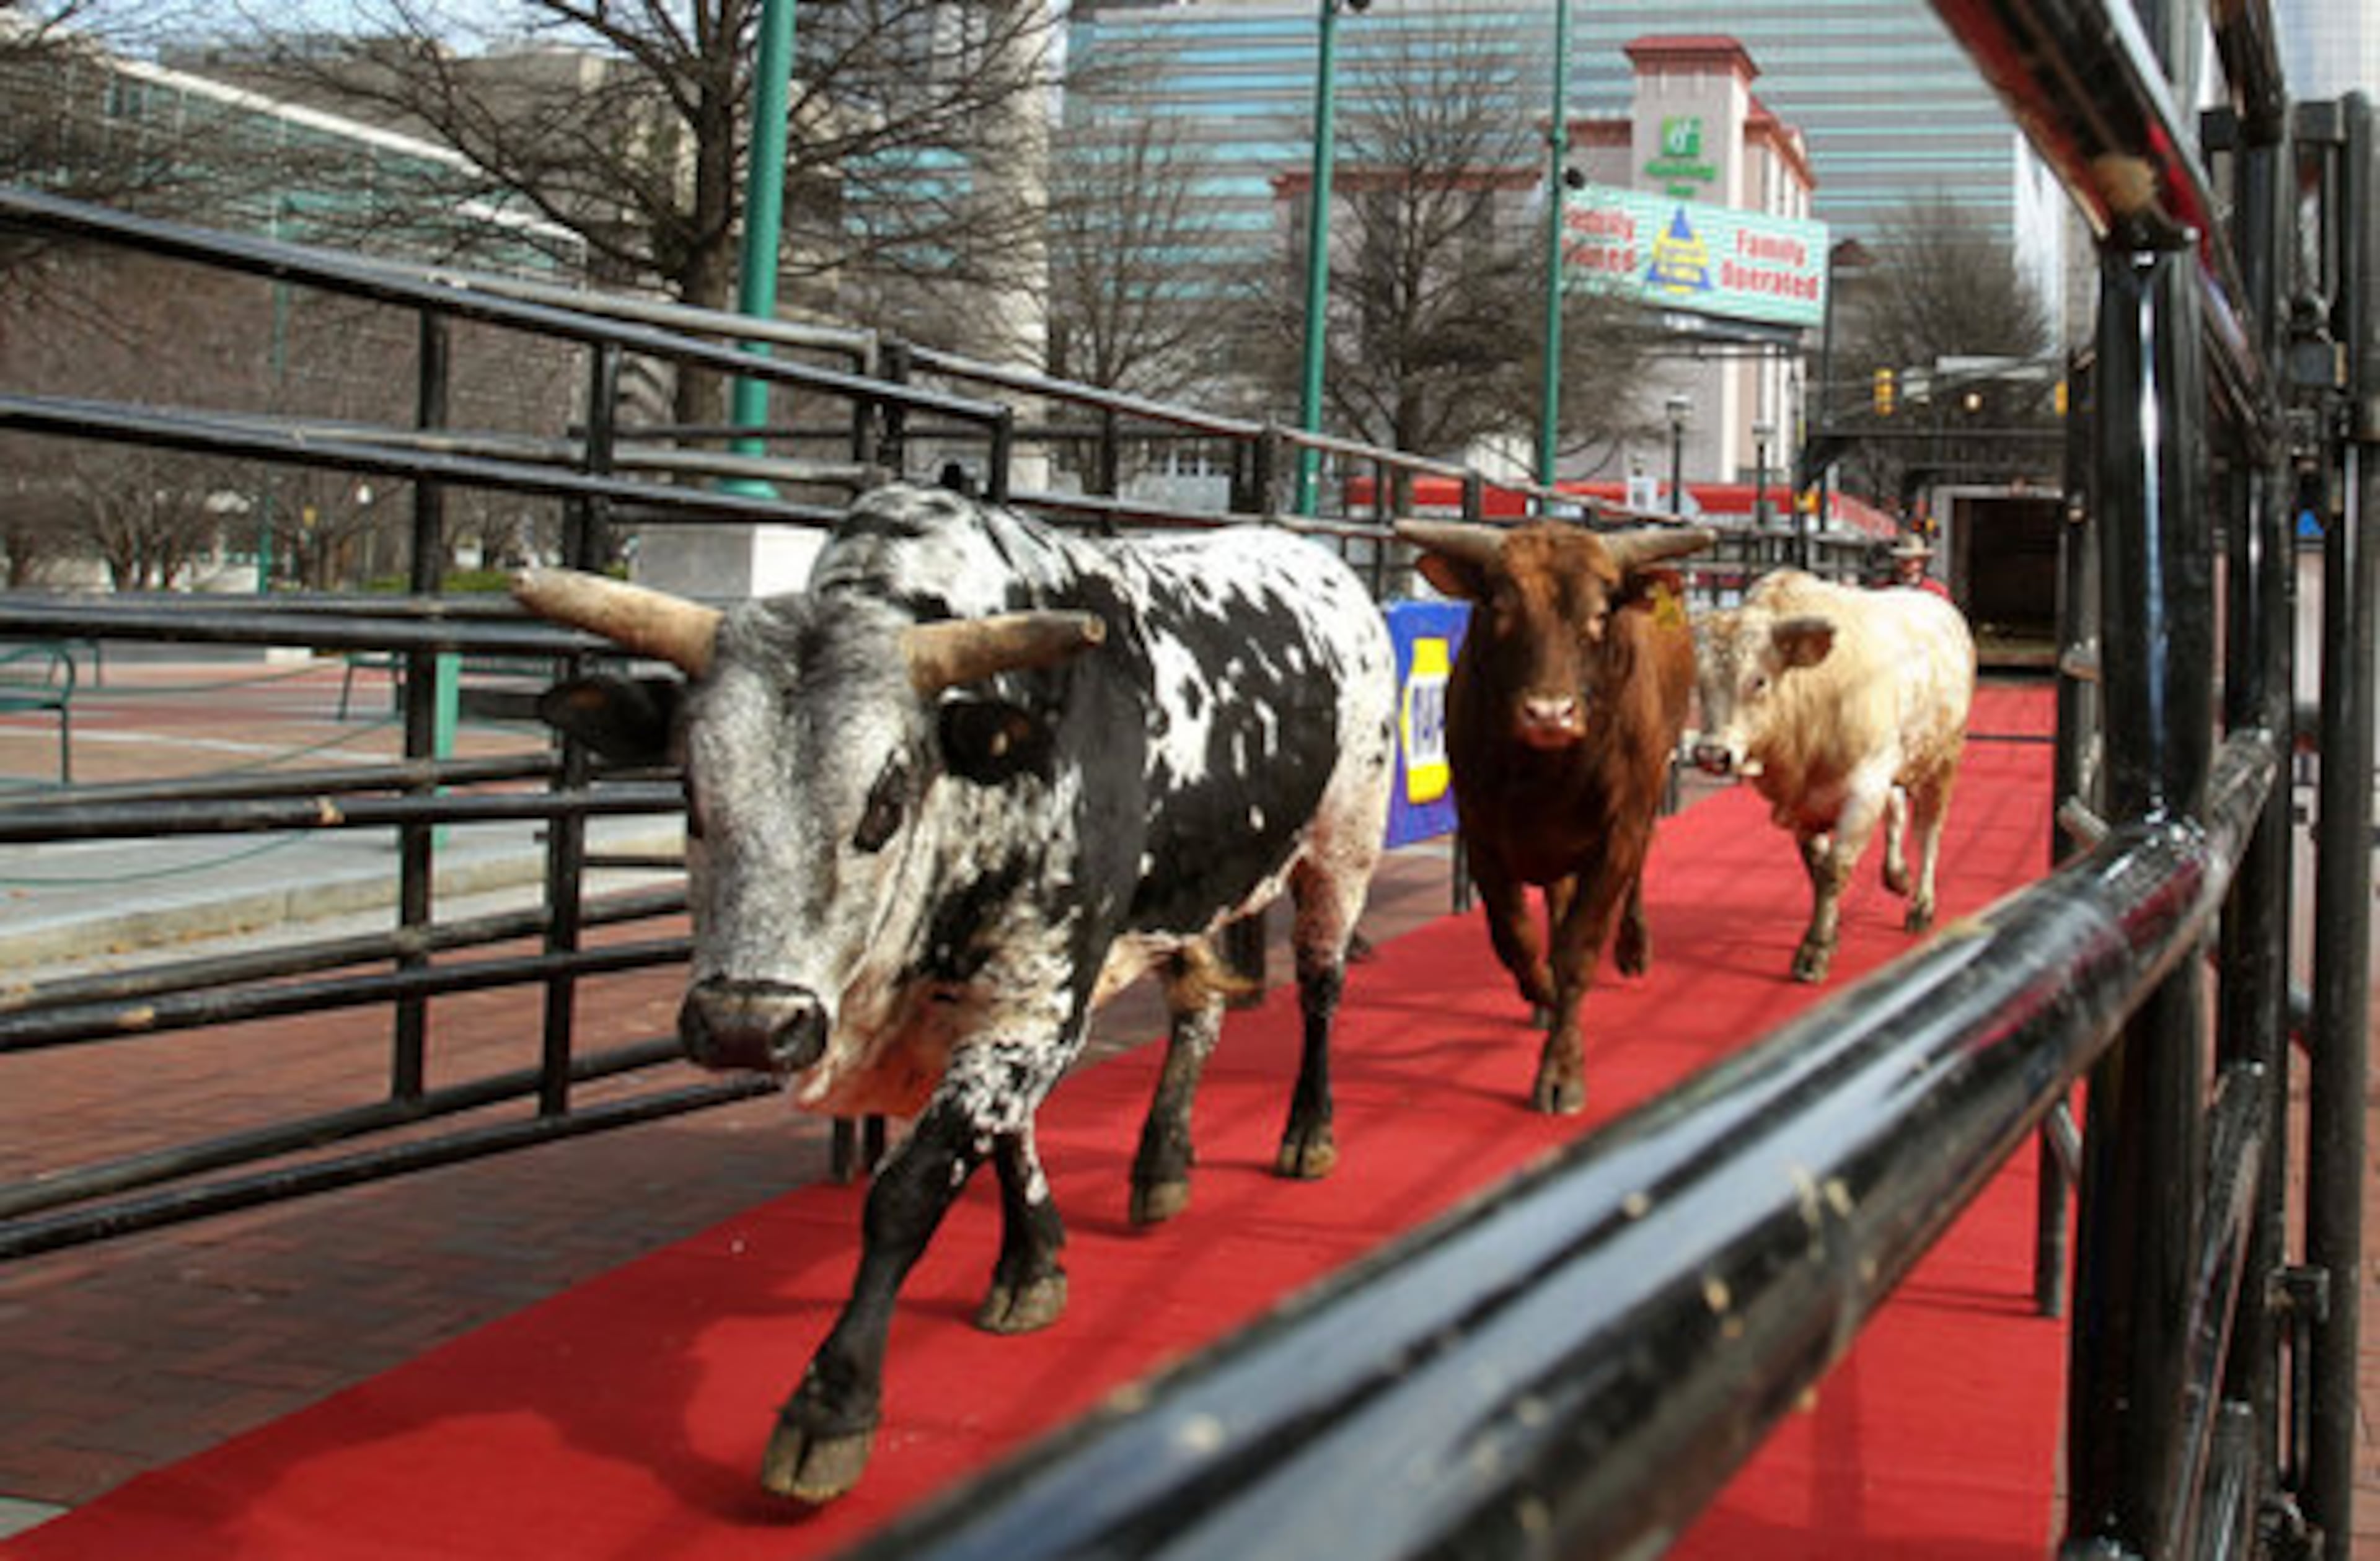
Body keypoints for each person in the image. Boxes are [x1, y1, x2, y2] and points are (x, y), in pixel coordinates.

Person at [1886, 537, 1952, 600]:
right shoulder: (1886, 591)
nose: (1915, 565)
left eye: (1918, 559)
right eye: (1905, 560)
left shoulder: (1937, 592)